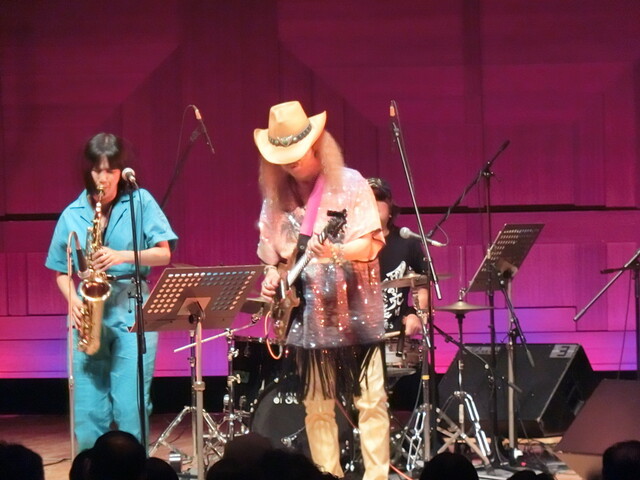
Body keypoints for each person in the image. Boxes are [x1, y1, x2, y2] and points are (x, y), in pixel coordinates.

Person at [255, 101, 389, 480]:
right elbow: (273, 257)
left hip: (356, 308)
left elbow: (371, 244)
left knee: (371, 399)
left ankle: (377, 476)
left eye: (297, 154)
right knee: (316, 404)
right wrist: (272, 275)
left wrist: (335, 252)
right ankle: (327, 475)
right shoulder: (276, 197)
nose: (291, 163)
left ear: (316, 145)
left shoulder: (350, 183)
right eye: (283, 158)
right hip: (307, 313)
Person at [45, 133, 178, 451]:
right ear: (88, 171)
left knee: (132, 405)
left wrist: (121, 256)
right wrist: (73, 300)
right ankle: (90, 466)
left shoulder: (140, 202)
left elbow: (163, 254)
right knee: (88, 409)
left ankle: (134, 467)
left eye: (111, 171)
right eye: (97, 170)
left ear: (122, 171)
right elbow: (60, 271)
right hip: (89, 312)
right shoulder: (72, 213)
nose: (103, 178)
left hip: (132, 305)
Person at [367, 177, 429, 336]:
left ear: (390, 207)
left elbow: (423, 284)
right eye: (367, 199)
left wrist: (418, 315)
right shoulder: (347, 244)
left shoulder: (407, 242)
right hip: (358, 337)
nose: (373, 203)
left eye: (379, 198)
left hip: (396, 336)